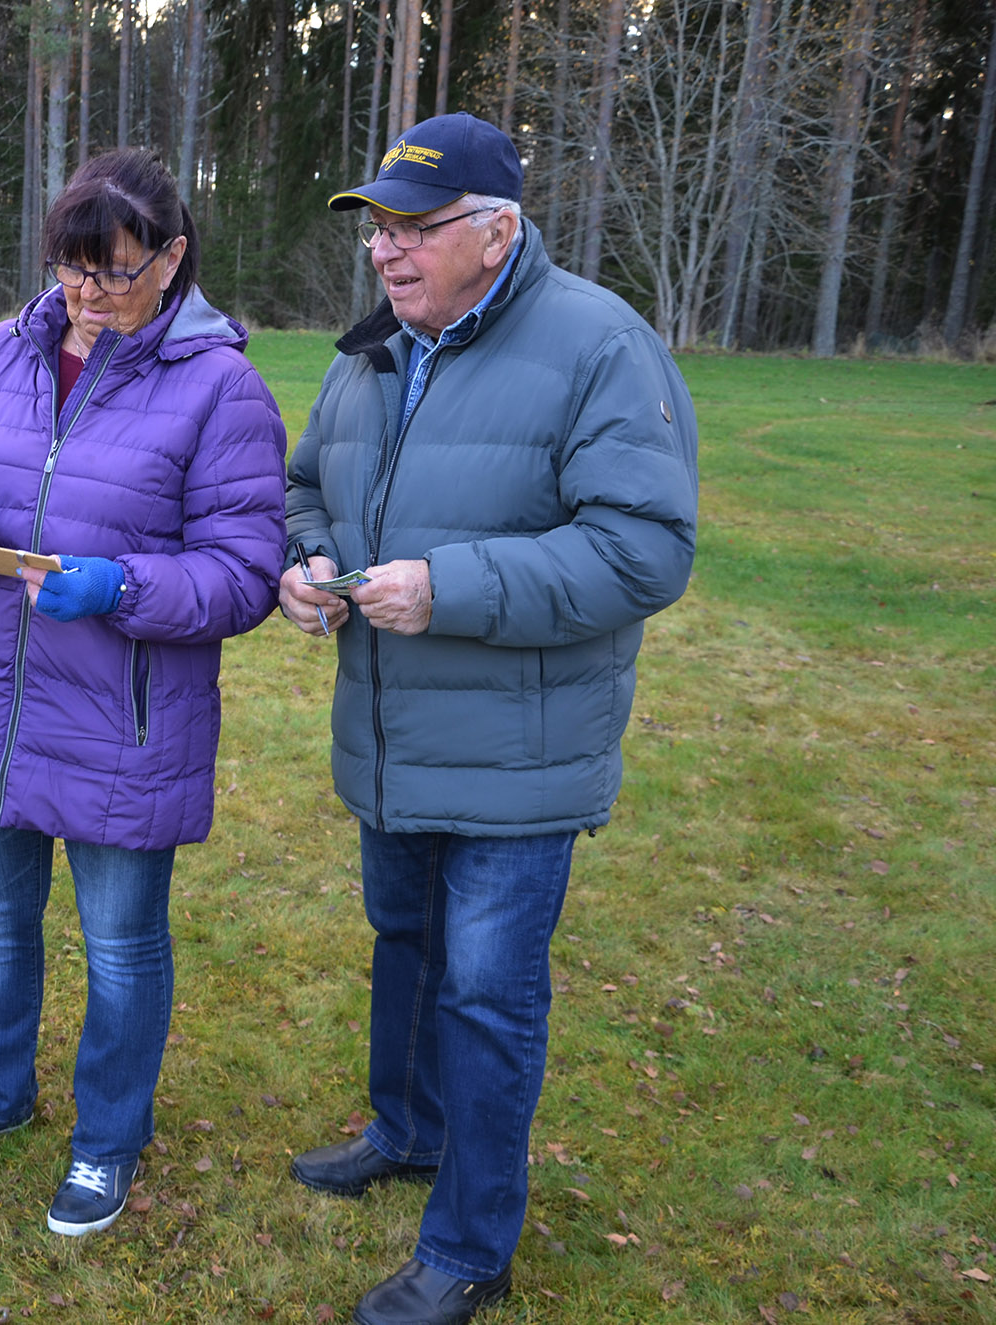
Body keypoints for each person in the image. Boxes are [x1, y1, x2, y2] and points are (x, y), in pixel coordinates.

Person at [279, 113, 699, 1325]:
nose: (387, 255)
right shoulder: (370, 350)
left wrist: (446, 585)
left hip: (518, 756)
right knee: (403, 950)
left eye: (415, 230)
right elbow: (310, 485)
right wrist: (307, 564)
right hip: (392, 742)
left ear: (495, 230)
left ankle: (468, 1243)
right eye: (378, 232)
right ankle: (404, 1130)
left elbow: (643, 549)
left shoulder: (597, 345)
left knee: (485, 993)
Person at [0, 148, 287, 1237]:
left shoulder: (220, 389)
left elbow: (245, 568)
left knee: (119, 945)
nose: (87, 297)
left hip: (123, 720)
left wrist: (124, 587)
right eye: (70, 273)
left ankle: (107, 1139)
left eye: (111, 275)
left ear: (169, 260)